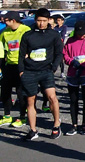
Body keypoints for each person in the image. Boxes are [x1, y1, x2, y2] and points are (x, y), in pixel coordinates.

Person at [18, 8, 64, 140]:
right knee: (30, 101)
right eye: (39, 20)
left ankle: (56, 124)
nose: (41, 23)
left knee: (52, 97)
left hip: (46, 71)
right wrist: (21, 71)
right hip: (29, 71)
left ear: (49, 20)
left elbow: (59, 53)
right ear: (35, 20)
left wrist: (54, 67)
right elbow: (21, 55)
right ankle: (33, 130)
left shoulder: (54, 35)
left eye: (44, 21)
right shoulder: (28, 35)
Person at [63, 20, 85, 136]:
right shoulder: (70, 40)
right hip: (73, 73)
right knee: (73, 100)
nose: (81, 35)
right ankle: (74, 124)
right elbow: (65, 54)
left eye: (83, 33)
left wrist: (84, 65)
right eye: (79, 33)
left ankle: (84, 124)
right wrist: (72, 62)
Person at [0, 11, 31, 128]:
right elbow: (1, 48)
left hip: (22, 64)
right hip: (9, 64)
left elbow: (32, 44)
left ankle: (22, 117)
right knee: (5, 91)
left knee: (20, 92)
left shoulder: (25, 30)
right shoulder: (5, 32)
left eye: (6, 20)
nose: (4, 22)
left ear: (13, 20)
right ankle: (7, 115)